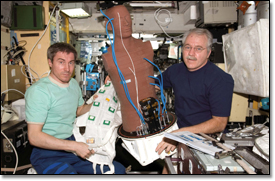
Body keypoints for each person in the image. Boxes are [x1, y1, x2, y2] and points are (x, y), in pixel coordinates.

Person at [25, 42, 125, 174]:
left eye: (71, 63)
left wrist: (103, 94)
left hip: (71, 147)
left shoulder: (72, 84)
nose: (67, 68)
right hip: (46, 153)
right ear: (50, 62)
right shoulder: (39, 91)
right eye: (61, 62)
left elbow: (78, 110)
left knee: (118, 171)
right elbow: (34, 136)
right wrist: (74, 146)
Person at [155, 28, 234, 173]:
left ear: (208, 53)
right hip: (181, 136)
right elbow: (152, 85)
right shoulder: (175, 71)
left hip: (207, 140)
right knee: (167, 170)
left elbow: (219, 123)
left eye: (198, 48)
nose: (191, 54)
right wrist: (115, 81)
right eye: (188, 47)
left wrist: (179, 135)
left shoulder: (220, 80)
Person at [102, 5, 157, 133]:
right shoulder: (109, 57)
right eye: (120, 19)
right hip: (131, 124)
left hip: (157, 118)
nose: (127, 23)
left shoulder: (147, 47)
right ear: (109, 25)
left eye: (128, 18)